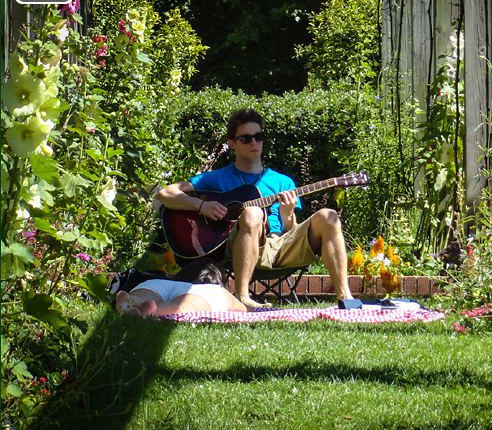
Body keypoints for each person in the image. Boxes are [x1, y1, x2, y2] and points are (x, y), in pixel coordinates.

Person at [156, 108, 354, 308]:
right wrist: (201, 205)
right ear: (232, 143)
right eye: (246, 138)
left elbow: (290, 230)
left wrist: (287, 215)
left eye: (258, 137)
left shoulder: (283, 181)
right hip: (240, 246)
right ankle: (243, 298)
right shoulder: (216, 178)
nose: (254, 142)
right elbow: (166, 194)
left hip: (281, 245)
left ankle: (346, 299)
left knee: (329, 216)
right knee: (253, 213)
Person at [115, 260, 251, 316]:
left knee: (142, 296)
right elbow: (245, 309)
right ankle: (155, 311)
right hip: (201, 293)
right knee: (179, 308)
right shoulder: (216, 291)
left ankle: (131, 301)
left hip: (159, 283)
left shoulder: (170, 282)